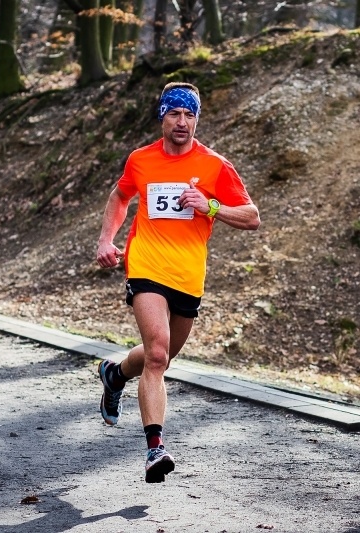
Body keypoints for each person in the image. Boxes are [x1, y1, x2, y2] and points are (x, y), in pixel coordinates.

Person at [95, 81, 260, 483]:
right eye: (174, 113)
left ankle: (115, 374)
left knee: (161, 357)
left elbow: (252, 216)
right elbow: (120, 197)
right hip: (146, 265)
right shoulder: (141, 160)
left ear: (197, 119)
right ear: (162, 117)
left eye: (189, 115)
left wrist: (212, 206)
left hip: (189, 274)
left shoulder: (215, 166)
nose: (182, 122)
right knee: (156, 356)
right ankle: (155, 450)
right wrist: (106, 239)